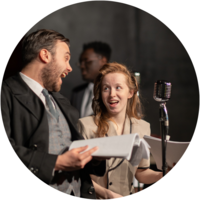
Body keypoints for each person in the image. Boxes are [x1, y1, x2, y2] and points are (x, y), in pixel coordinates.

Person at [1, 29, 106, 198]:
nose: (70, 68)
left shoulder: (62, 101)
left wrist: (94, 158)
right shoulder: (5, 93)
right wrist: (57, 163)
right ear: (45, 55)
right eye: (66, 58)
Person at [78, 62, 163, 198]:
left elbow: (140, 172)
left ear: (130, 92)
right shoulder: (85, 125)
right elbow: (78, 175)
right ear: (100, 93)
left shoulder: (142, 127)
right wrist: (106, 194)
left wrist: (163, 175)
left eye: (118, 88)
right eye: (106, 88)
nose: (112, 94)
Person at [71, 41, 111, 117]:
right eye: (80, 62)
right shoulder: (77, 92)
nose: (82, 66)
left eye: (87, 61)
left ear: (103, 61)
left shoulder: (114, 91)